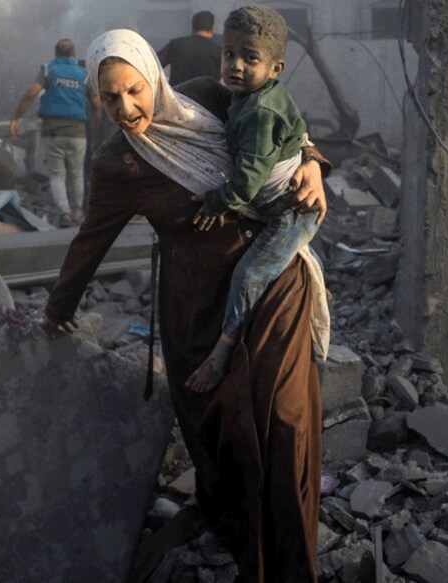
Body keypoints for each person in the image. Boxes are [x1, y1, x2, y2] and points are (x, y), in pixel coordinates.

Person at [42, 29, 330, 582]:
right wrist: (56, 311)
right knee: (227, 436)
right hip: (196, 307)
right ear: (95, 99)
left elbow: (281, 120)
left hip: (272, 286)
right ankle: (241, 544)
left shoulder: (207, 96)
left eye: (134, 90)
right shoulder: (116, 165)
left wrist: (314, 160)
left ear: (154, 77)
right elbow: (89, 242)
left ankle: (293, 565)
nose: (126, 108)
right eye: (109, 97)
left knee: (286, 420)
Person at [186, 5, 320, 393]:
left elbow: (244, 186)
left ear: (276, 69)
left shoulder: (260, 112)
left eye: (250, 58)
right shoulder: (252, 96)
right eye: (230, 54)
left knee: (248, 276)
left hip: (288, 212)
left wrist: (215, 201)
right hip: (277, 200)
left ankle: (221, 354)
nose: (236, 66)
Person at [10, 38, 100, 227]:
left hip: (52, 132)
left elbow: (31, 93)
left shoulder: (49, 69)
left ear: (56, 54)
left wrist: (16, 117)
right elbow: (97, 105)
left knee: (57, 175)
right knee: (76, 174)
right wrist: (94, 130)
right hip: (78, 133)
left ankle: (65, 213)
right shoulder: (81, 72)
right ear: (74, 54)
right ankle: (78, 215)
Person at [157, 10, 222, 86]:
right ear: (212, 30)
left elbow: (155, 63)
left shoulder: (176, 44)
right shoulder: (218, 50)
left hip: (178, 95)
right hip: (206, 96)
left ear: (192, 28)